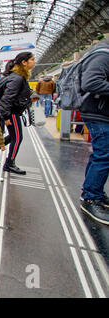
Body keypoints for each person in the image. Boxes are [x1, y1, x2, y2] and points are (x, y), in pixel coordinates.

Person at [79, 41, 109, 225]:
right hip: (98, 112)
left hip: (100, 112)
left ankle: (94, 192)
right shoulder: (103, 55)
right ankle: (91, 197)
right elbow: (91, 82)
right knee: (104, 155)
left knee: (102, 154)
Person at [0, 52, 35, 175]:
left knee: (13, 137)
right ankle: (9, 164)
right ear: (24, 62)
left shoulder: (19, 77)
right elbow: (7, 98)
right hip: (12, 113)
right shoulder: (17, 78)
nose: (34, 62)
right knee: (17, 138)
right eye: (32, 59)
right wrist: (6, 116)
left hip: (13, 112)